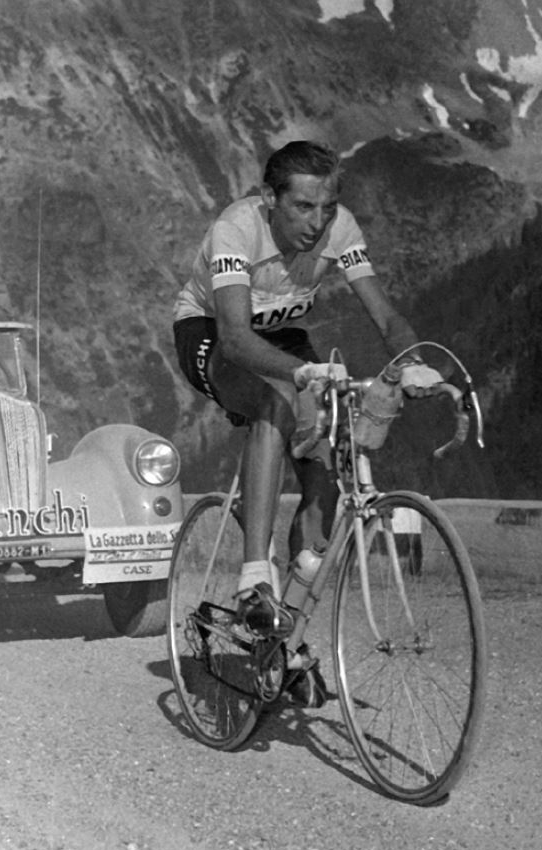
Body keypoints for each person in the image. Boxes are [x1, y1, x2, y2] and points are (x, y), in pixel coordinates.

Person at [172, 140, 443, 641]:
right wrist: (301, 374)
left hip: (285, 335)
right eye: (302, 206)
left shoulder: (341, 229)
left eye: (328, 207)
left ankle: (286, 633)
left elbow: (386, 317)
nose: (317, 223)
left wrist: (414, 362)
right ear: (269, 198)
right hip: (213, 332)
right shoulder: (236, 228)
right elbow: (236, 338)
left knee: (329, 455)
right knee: (274, 401)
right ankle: (255, 576)